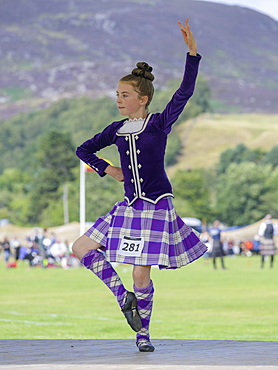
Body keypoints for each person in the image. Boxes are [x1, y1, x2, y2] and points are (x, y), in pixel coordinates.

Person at [72, 18, 207, 352]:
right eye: (117, 94)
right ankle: (123, 298)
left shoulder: (158, 123)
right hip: (128, 206)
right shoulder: (116, 129)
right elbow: (83, 149)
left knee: (141, 276)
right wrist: (108, 169)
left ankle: (142, 334)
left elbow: (185, 92)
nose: (119, 99)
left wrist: (192, 54)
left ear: (143, 99)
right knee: (80, 248)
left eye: (126, 95)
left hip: (156, 207)